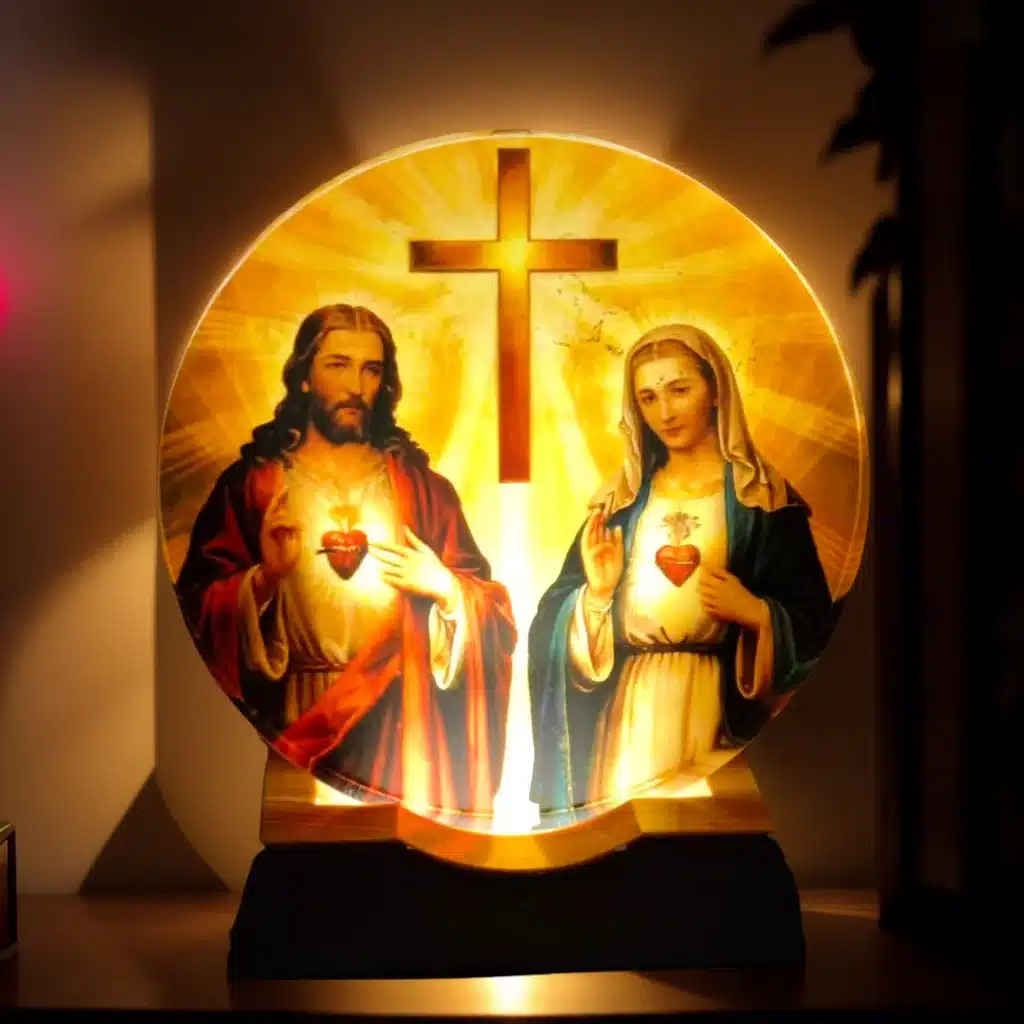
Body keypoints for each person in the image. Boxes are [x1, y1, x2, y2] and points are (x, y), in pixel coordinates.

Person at [175, 303, 516, 815]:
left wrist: (448, 590)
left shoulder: (424, 492)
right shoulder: (254, 487)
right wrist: (264, 580)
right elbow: (197, 613)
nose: (356, 385)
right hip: (296, 718)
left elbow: (495, 616)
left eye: (371, 369)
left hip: (400, 720)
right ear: (305, 377)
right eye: (338, 365)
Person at [528, 323, 837, 816]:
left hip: (715, 709)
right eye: (648, 398)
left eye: (679, 390)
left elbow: (818, 626)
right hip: (626, 714)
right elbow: (550, 621)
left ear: (714, 391)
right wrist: (595, 598)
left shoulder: (762, 501)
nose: (665, 413)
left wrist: (758, 615)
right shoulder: (621, 504)